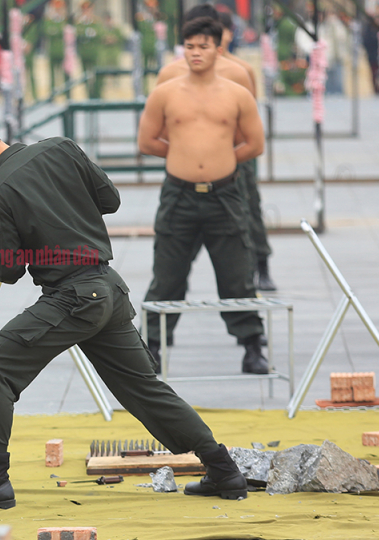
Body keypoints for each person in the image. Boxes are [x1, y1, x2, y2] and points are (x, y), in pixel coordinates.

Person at [0, 115, 249, 509]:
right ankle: (223, 469)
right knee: (145, 390)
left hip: (73, 297)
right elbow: (109, 201)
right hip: (108, 289)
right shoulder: (61, 147)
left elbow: (8, 271)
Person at [137, 17, 268, 375]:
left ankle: (252, 346)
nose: (196, 53)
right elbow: (147, 140)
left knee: (237, 274)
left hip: (224, 195)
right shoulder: (166, 91)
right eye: (190, 46)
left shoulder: (236, 92)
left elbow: (255, 143)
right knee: (167, 275)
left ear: (217, 47)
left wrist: (221, 160)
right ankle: (150, 346)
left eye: (203, 46)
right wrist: (183, 154)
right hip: (178, 196)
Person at [218, 10, 277, 292]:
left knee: (250, 211)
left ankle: (261, 266)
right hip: (201, 163)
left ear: (229, 34)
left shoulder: (240, 70)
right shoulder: (183, 71)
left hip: (237, 156)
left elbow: (249, 120)